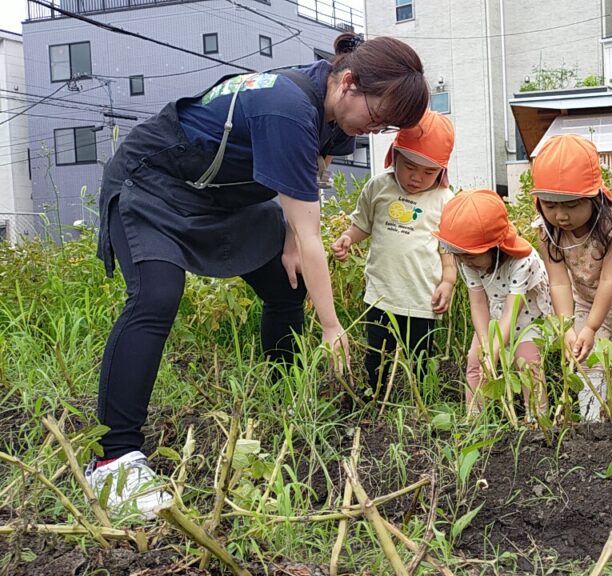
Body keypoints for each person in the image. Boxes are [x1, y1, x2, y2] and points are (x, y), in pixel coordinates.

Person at [88, 32, 429, 518]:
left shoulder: (332, 111)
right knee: (156, 298)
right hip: (155, 185)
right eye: (378, 117)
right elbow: (313, 237)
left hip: (223, 199)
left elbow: (311, 175)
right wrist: (331, 326)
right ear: (349, 82)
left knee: (284, 282)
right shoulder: (286, 106)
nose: (376, 130)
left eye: (387, 125)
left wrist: (288, 241)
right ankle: (114, 459)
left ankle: (286, 400)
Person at [530, 134, 612, 422]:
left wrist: (589, 327)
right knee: (587, 360)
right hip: (587, 298)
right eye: (550, 205)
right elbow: (559, 282)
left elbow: (609, 282)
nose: (560, 216)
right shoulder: (548, 232)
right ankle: (592, 428)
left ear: (594, 197)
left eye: (572, 205)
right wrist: (568, 329)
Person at [331, 111, 456, 389]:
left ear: (442, 171)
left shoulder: (445, 199)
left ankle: (423, 401)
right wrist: (348, 238)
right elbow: (363, 224)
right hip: (380, 295)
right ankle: (373, 395)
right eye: (410, 166)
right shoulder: (379, 187)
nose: (417, 178)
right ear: (394, 155)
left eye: (429, 172)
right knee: (376, 355)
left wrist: (448, 281)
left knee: (420, 358)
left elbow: (447, 250)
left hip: (422, 298)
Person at [431, 189, 552, 417]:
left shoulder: (522, 262)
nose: (465, 261)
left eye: (472, 255)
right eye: (460, 255)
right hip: (495, 314)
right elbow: (478, 304)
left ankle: (537, 420)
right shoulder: (467, 261)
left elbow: (511, 310)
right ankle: (476, 417)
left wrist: (495, 350)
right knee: (475, 361)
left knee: (528, 363)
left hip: (527, 318)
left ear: (496, 247)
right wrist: (486, 347)